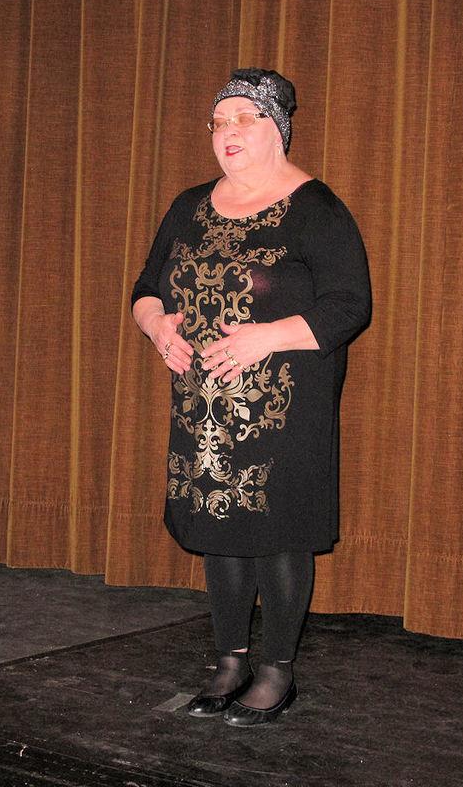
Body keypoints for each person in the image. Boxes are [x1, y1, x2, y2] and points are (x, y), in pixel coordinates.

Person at [131, 67, 371, 727]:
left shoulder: (314, 208)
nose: (227, 131)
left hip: (283, 403)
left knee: (278, 531)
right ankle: (230, 661)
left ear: (277, 128)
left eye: (244, 118)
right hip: (205, 405)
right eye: (218, 121)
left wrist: (266, 337)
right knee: (220, 528)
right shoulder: (188, 206)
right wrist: (158, 328)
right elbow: (147, 288)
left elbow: (349, 304)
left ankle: (276, 672)